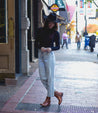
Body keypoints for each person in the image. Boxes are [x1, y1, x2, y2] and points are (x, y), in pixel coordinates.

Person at [35, 13, 63, 107]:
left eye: (53, 22)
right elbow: (36, 43)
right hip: (41, 54)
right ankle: (57, 93)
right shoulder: (40, 30)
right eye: (50, 22)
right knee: (43, 77)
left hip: (49, 56)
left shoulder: (56, 33)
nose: (51, 24)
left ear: (55, 23)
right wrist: (41, 47)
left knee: (50, 78)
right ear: (47, 21)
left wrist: (51, 49)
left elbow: (58, 46)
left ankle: (48, 99)